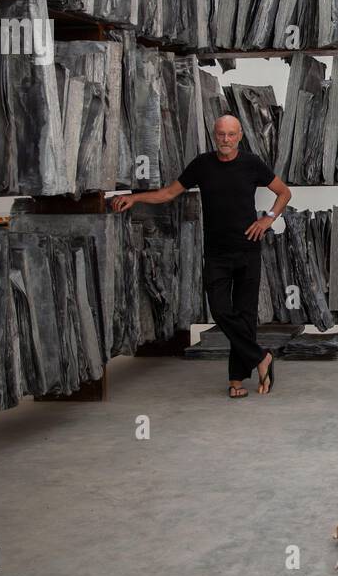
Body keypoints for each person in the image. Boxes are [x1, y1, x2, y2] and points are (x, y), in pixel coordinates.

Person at [111, 115, 292, 399]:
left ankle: (236, 380)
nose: (226, 139)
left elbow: (284, 193)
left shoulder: (252, 163)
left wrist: (267, 220)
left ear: (240, 136)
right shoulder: (202, 165)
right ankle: (262, 357)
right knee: (220, 311)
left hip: (247, 248)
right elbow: (170, 193)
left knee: (245, 316)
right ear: (214, 135)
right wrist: (135, 198)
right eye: (221, 134)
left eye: (231, 134)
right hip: (217, 252)